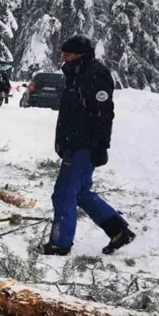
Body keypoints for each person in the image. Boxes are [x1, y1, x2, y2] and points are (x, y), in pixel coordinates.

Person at [43, 35, 136, 256]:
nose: (63, 58)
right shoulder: (76, 74)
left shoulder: (96, 76)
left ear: (80, 55)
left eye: (67, 54)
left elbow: (104, 114)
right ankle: (118, 230)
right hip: (73, 144)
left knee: (64, 194)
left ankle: (60, 244)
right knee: (81, 191)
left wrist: (101, 146)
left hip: (83, 146)